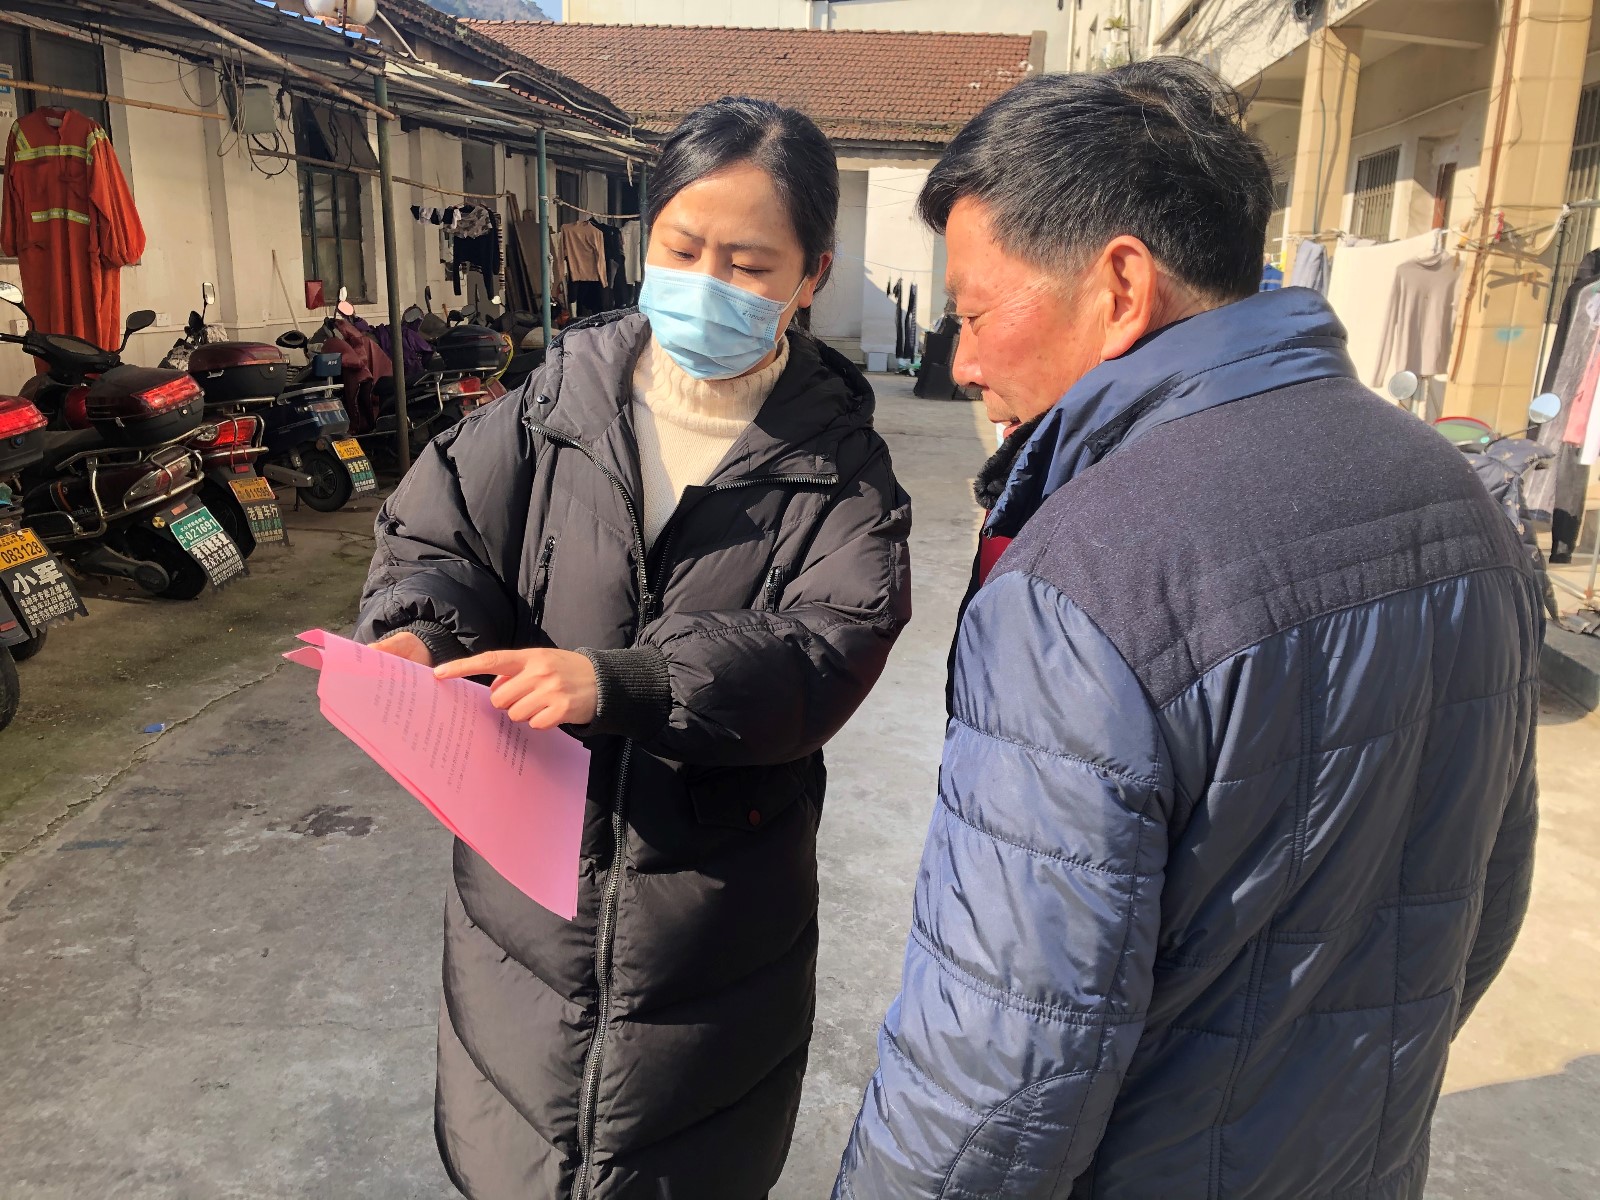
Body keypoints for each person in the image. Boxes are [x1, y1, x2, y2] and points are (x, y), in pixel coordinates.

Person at [835, 60, 1540, 1199]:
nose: (961, 363)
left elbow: (1001, 1067)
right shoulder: (1456, 495)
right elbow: (1484, 898)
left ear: (1120, 284)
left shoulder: (1089, 572)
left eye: (973, 313)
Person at [357, 97, 912, 1200]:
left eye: (750, 265)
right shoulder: (547, 410)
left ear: (811, 275)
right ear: (643, 240)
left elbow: (829, 648)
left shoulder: (840, 469)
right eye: (682, 248)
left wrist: (629, 683)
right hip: (524, 901)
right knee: (511, 1150)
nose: (708, 282)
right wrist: (420, 633)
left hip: (715, 916)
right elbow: (438, 539)